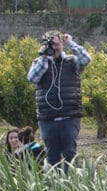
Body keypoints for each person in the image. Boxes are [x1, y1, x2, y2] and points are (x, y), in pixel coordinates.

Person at [27, 30, 90, 168]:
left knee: (70, 153)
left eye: (57, 44)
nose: (54, 48)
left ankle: (70, 184)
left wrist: (71, 43)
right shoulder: (39, 62)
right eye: (51, 45)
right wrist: (44, 57)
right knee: (52, 155)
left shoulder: (71, 61)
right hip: (47, 118)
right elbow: (32, 78)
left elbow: (86, 59)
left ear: (62, 44)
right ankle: (53, 186)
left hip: (70, 116)